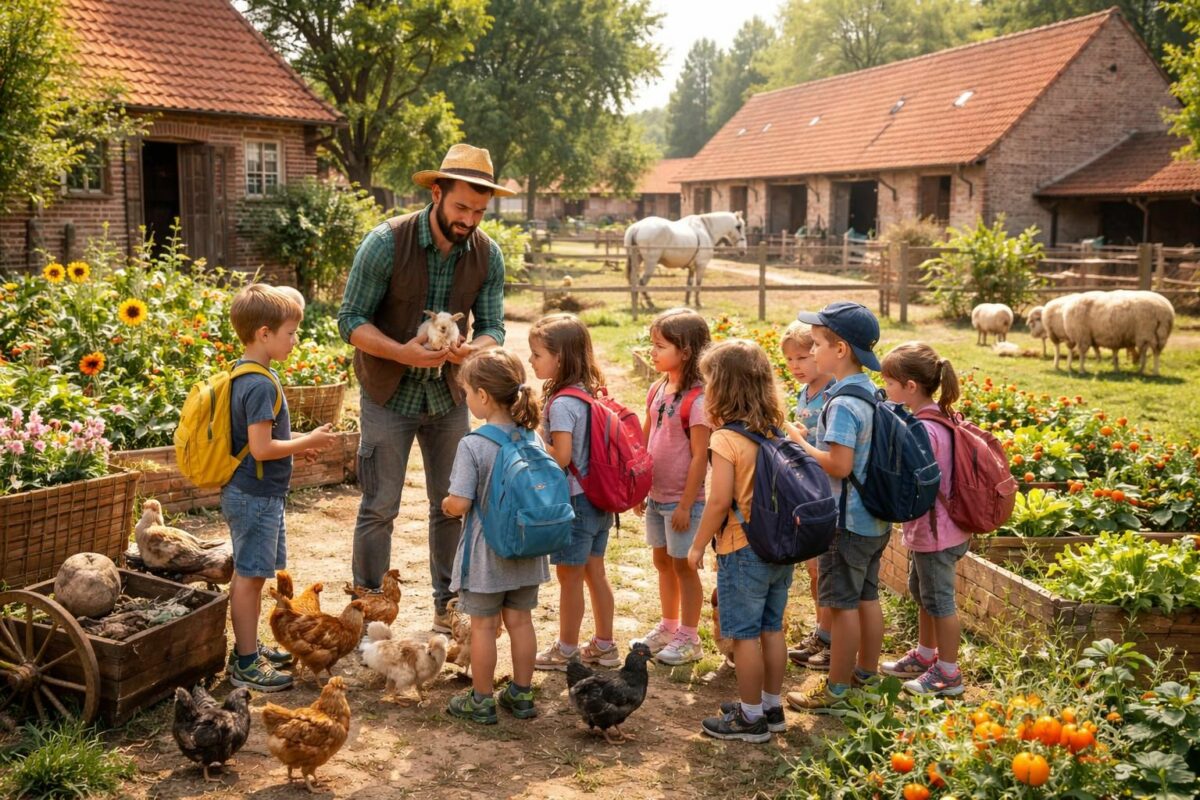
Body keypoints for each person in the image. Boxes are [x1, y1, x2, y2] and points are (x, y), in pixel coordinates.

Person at [338, 144, 513, 633]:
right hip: (388, 392)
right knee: (379, 507)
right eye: (461, 207)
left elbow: (495, 327)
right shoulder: (385, 242)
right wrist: (400, 351)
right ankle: (368, 609)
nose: (470, 220)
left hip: (448, 398)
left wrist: (472, 350)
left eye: (479, 211)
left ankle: (449, 606)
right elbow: (349, 320)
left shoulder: (488, 254)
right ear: (437, 193)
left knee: (451, 506)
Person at [224, 284, 338, 691]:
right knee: (250, 577)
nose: (296, 340)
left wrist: (296, 447)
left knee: (254, 575)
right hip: (254, 497)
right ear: (264, 334)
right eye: (291, 332)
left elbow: (262, 444)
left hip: (258, 493)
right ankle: (245, 661)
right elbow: (260, 447)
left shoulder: (251, 373)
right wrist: (306, 443)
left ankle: (248, 645)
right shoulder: (260, 385)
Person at [784, 301, 890, 713]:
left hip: (845, 521)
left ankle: (837, 689)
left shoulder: (842, 403)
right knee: (867, 597)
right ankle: (866, 672)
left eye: (816, 345)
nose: (812, 353)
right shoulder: (869, 390)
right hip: (872, 518)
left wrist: (799, 443)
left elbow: (839, 465)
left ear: (840, 349)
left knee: (843, 606)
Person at [688, 339, 793, 743]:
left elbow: (718, 502)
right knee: (772, 627)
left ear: (721, 388)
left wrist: (697, 546)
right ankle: (770, 705)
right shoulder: (775, 429)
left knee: (744, 634)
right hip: (778, 547)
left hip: (741, 547)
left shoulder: (725, 440)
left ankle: (750, 719)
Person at [442, 349, 550, 724]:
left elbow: (460, 501)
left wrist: (446, 506)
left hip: (486, 554)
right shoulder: (533, 437)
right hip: (528, 548)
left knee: (484, 627)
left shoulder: (473, 444)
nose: (466, 399)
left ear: (483, 396)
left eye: (468, 392)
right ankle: (521, 694)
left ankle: (482, 699)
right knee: (521, 622)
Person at [529, 313, 620, 670]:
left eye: (537, 354)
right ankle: (605, 644)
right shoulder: (588, 391)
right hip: (598, 500)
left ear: (560, 358)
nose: (531, 361)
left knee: (569, 577)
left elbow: (562, 456)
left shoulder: (563, 402)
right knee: (595, 572)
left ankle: (566, 649)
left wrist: (534, 440)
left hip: (575, 502)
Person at [878, 342, 968, 697]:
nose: (886, 389)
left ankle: (948, 672)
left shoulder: (925, 430)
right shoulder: (936, 417)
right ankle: (926, 655)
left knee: (940, 602)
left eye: (889, 382)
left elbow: (913, 480)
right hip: (937, 529)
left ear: (909, 387)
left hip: (937, 533)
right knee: (922, 592)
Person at [633, 308, 711, 666]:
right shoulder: (657, 388)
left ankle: (690, 637)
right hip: (656, 496)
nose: (653, 351)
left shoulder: (699, 399)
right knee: (662, 561)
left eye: (660, 346)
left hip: (684, 502)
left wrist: (685, 504)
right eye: (653, 344)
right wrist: (639, 485)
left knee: (685, 567)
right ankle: (668, 625)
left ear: (686, 351)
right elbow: (645, 441)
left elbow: (699, 457)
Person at [779, 321, 835, 671]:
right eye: (789, 360)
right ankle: (822, 630)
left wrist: (798, 438)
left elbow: (830, 447)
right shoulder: (805, 393)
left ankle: (830, 636)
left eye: (803, 357)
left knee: (825, 572)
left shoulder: (832, 394)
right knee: (816, 572)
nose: (796, 365)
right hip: (810, 491)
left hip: (828, 493)